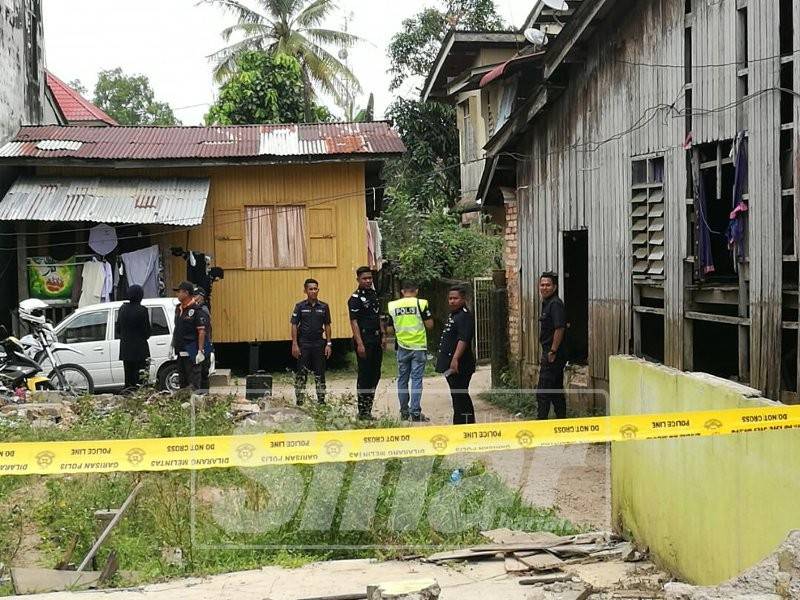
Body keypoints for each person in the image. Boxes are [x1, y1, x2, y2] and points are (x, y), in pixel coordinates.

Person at [387, 281, 434, 421]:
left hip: (402, 347)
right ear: (417, 291)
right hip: (418, 347)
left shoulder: (392, 306)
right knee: (416, 379)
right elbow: (430, 325)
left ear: (402, 291)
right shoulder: (421, 304)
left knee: (402, 379)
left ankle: (404, 411)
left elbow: (389, 329)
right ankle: (415, 412)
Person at [348, 266, 385, 420]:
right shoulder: (355, 298)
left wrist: (383, 336)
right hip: (364, 340)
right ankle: (362, 411)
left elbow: (378, 317)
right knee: (365, 376)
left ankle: (368, 409)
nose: (368, 281)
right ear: (358, 280)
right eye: (365, 278)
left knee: (375, 375)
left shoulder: (373, 295)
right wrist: (360, 344)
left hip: (376, 339)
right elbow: (354, 322)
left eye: (370, 278)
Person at [436, 285, 476, 425]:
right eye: (450, 298)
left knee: (460, 396)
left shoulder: (464, 316)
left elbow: (463, 339)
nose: (452, 301)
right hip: (451, 363)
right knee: (457, 395)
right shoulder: (454, 315)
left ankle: (464, 425)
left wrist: (455, 359)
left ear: (463, 299)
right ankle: (461, 423)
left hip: (460, 364)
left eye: (455, 298)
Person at [291, 278, 332, 405]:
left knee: (320, 374)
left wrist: (329, 344)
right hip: (304, 344)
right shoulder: (300, 307)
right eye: (311, 289)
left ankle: (321, 401)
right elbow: (293, 325)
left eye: (315, 289)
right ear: (305, 290)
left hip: (319, 344)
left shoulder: (324, 307)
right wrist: (295, 344)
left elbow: (327, 325)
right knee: (301, 374)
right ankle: (300, 401)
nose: (313, 291)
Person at [536, 271, 568, 419]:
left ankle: (541, 425)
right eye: (542, 285)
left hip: (553, 354)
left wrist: (553, 351)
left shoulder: (555, 304)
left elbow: (560, 328)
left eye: (548, 285)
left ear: (554, 287)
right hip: (551, 352)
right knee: (555, 391)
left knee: (543, 392)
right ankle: (561, 422)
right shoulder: (547, 303)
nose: (544, 287)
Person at [172, 280, 209, 391]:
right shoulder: (178, 309)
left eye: (179, 292)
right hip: (181, 349)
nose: (177, 294)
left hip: (192, 348)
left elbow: (201, 331)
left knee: (194, 382)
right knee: (183, 381)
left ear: (186, 293)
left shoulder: (197, 310)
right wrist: (173, 344)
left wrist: (200, 351)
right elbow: (177, 328)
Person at [116, 284, 151, 392]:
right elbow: (147, 332)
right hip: (140, 349)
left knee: (129, 376)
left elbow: (118, 329)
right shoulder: (142, 310)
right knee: (141, 377)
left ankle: (128, 394)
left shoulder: (122, 309)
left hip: (126, 349)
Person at [193, 287, 214, 393]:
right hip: (201, 344)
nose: (193, 298)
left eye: (195, 295)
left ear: (201, 296)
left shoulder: (203, 310)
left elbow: (204, 330)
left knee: (203, 372)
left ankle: (204, 395)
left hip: (204, 344)